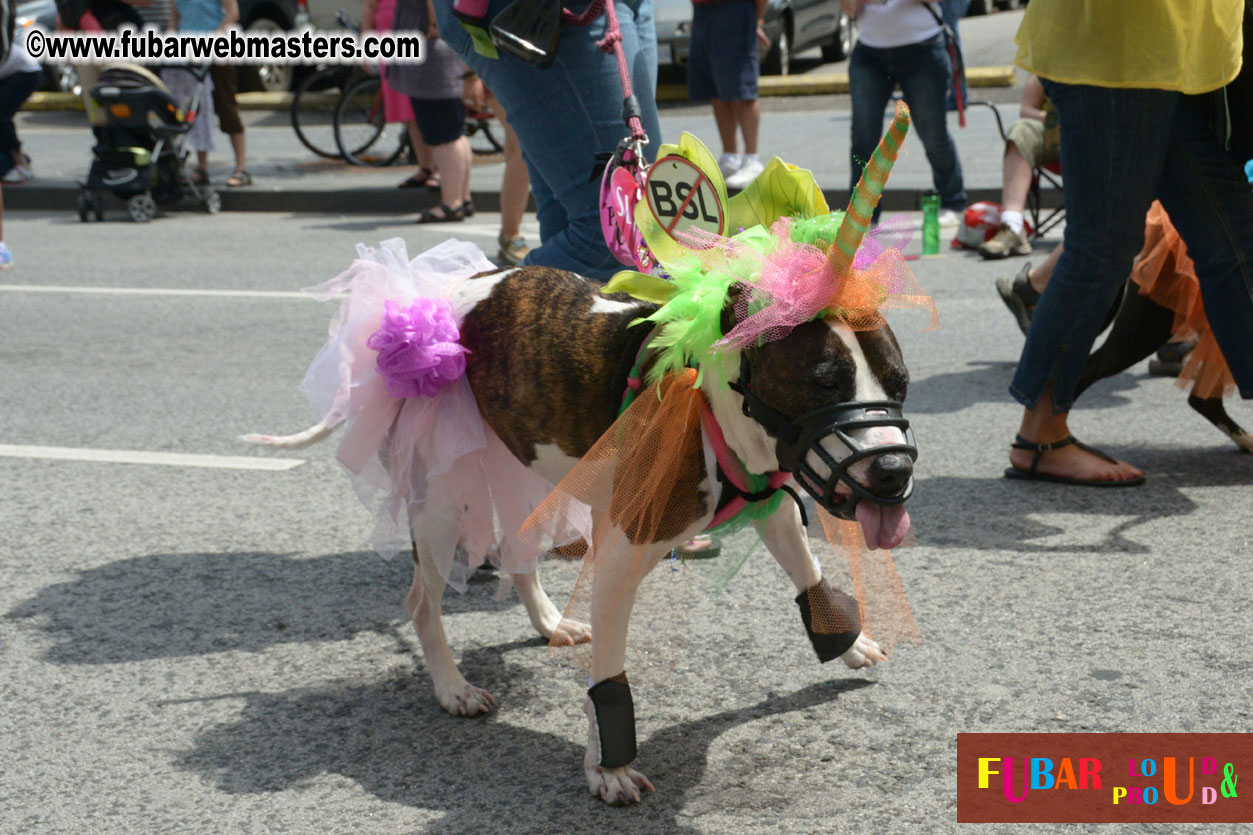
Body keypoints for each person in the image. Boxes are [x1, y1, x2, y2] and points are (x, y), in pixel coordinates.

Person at [1004, 0, 1253, 487]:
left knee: (1232, 237)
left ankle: (1041, 431)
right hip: (1119, 56)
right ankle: (1040, 436)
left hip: (1175, 56)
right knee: (1102, 247)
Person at [432, 0, 663, 280]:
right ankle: (459, 315)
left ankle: (506, 316)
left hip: (618, 7)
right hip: (546, 9)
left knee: (593, 221)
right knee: (621, 232)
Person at [842, 0, 967, 224]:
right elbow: (849, 9)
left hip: (923, 49)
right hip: (870, 54)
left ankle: (953, 201)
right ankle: (863, 216)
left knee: (933, 134)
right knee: (863, 139)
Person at [388, 0, 473, 222]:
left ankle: (452, 204)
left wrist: (434, 27)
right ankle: (462, 198)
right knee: (454, 133)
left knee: (444, 137)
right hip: (438, 56)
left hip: (431, 59)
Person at [686, 0, 767, 188]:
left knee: (743, 90)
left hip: (734, 10)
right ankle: (730, 157)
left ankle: (751, 160)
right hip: (703, 13)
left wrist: (754, 20)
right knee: (716, 89)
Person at [979, 74, 1058, 259]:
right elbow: (1026, 110)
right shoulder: (1049, 61)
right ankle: (1012, 227)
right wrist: (1050, 118)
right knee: (1021, 130)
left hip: (1099, 136)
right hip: (1053, 134)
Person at [363, 0, 439, 191]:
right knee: (410, 112)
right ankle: (426, 167)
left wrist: (432, 25)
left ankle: (439, 169)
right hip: (390, 39)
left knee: (430, 110)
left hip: (417, 33)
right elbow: (370, 6)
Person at [0, 22, 41, 184]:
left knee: (1, 116)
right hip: (10, 71)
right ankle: (15, 159)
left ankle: (19, 163)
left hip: (25, 72)